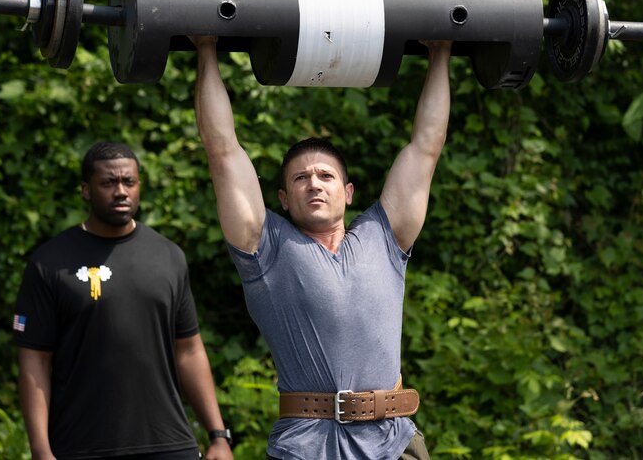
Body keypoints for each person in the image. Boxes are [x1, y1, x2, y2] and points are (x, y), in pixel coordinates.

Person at [192, 35, 452, 459]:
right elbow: (222, 151)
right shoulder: (264, 245)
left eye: (326, 176)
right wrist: (206, 48)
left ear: (348, 192)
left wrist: (440, 52)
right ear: (282, 198)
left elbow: (426, 147)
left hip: (394, 443)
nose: (314, 183)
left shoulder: (384, 236)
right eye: (300, 178)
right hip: (308, 446)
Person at [13, 141, 234, 460]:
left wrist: (218, 435)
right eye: (108, 183)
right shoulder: (50, 262)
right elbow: (35, 361)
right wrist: (40, 450)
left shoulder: (168, 256)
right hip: (82, 446)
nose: (120, 191)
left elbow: (189, 349)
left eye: (128, 182)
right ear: (86, 190)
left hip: (169, 444)